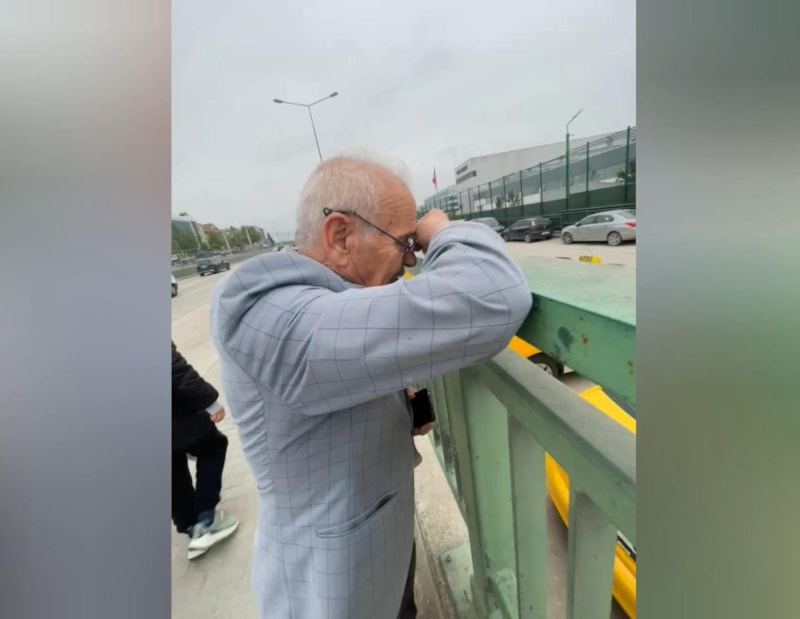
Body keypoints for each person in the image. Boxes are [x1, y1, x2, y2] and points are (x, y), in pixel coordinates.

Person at [210, 156, 532, 618]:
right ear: (341, 236)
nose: (410, 259)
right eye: (403, 243)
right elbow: (494, 295)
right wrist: (444, 232)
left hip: (378, 558)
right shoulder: (272, 315)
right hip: (332, 589)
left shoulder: (325, 302)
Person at [171, 341, 239, 560]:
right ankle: (206, 521)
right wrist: (209, 402)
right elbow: (174, 369)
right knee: (212, 447)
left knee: (171, 473)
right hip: (175, 415)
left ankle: (191, 527)